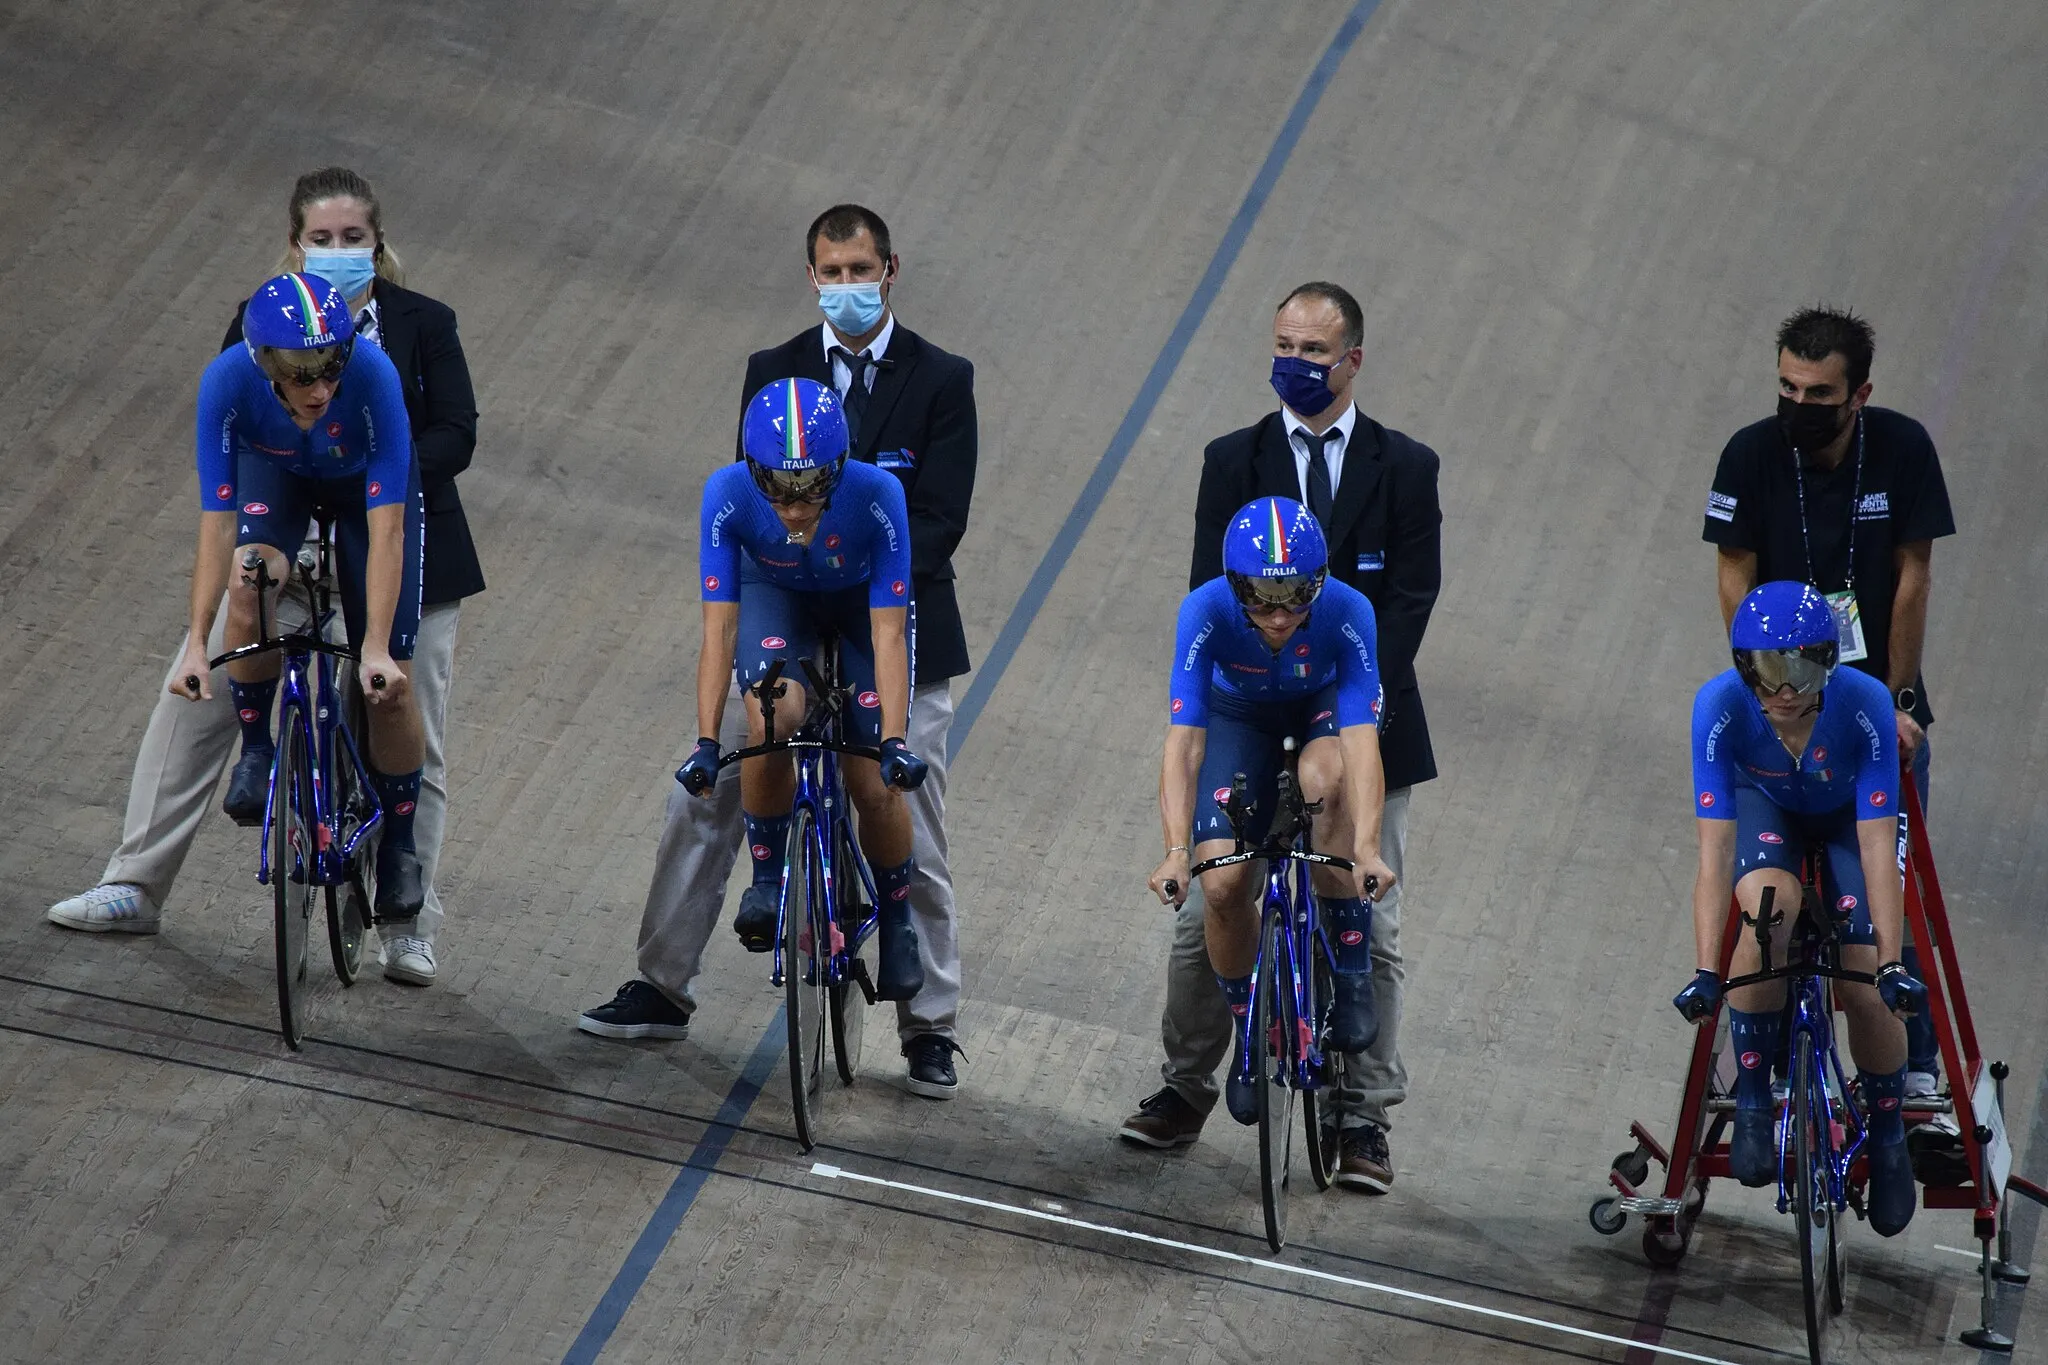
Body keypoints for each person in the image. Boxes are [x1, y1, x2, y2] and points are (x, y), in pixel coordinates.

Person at [48, 167, 482, 986]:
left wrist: (362, 471)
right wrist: (193, 638)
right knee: (208, 669)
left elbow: (455, 434)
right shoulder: (252, 333)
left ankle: (406, 921)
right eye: (321, 238)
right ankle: (133, 882)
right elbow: (235, 464)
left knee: (403, 689)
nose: (337, 251)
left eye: (353, 238)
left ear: (378, 243)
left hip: (391, 527)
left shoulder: (421, 327)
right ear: (295, 245)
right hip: (283, 523)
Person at [581, 205, 977, 1099]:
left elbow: (944, 518)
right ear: (811, 275)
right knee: (721, 778)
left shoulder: (942, 379)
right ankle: (661, 982)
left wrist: (864, 547)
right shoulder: (775, 369)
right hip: (784, 606)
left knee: (912, 808)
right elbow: (755, 513)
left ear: (890, 268)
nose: (846, 284)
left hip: (894, 607)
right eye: (830, 270)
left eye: (860, 268)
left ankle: (930, 1027)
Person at [1120, 281, 1441, 1195]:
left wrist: (1342, 691)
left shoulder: (1405, 466)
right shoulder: (1234, 458)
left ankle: (1360, 1112)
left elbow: (1411, 599)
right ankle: (1188, 1087)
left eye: (1313, 350)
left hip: (1357, 702)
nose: (1295, 363)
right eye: (1283, 346)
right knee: (1212, 901)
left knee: (1368, 912)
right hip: (1247, 702)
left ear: (1353, 360)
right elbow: (1209, 590)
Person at [1701, 305, 1958, 1162]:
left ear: (1861, 395)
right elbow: (1734, 580)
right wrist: (1766, 687)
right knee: (1765, 903)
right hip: (1781, 693)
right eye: (1786, 386)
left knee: (1889, 879)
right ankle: (1757, 1065)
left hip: (1868, 704)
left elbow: (1911, 579)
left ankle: (1913, 1061)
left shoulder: (1904, 449)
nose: (1797, 403)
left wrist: (1898, 700)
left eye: (1818, 391)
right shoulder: (1750, 454)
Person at [1672, 581, 1928, 1236]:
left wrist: (1891, 962)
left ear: (1828, 662)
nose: (1784, 690)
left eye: (1801, 669)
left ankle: (1889, 1132)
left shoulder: (1865, 705)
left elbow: (1877, 850)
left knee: (1865, 974)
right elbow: (1713, 854)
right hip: (1768, 807)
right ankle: (1755, 1099)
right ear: (1742, 669)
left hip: (1848, 816)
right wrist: (1706, 972)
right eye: (1766, 670)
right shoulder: (1719, 707)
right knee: (1766, 909)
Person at [181, 272, 427, 922]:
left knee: (392, 679)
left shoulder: (372, 379)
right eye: (300, 373)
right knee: (250, 577)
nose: (320, 388)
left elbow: (389, 529)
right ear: (266, 364)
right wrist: (192, 641)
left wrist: (374, 645)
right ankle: (259, 750)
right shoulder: (227, 382)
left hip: (362, 493)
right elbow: (217, 523)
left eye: (331, 367)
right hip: (281, 476)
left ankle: (401, 843)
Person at [674, 377, 928, 1000]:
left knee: (873, 778)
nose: (793, 505)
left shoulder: (878, 494)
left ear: (840, 467)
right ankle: (766, 880)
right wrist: (706, 741)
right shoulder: (726, 494)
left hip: (857, 605)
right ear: (752, 471)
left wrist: (894, 740)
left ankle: (898, 922)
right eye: (778, 487)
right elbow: (720, 630)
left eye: (812, 486)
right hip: (776, 598)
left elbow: (889, 637)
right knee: (768, 715)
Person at [1146, 497, 1397, 1123]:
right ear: (1234, 586)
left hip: (1321, 709)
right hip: (1240, 719)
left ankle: (1352, 964)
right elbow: (1185, 744)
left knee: (1325, 778)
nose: (1280, 616)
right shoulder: (1203, 611)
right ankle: (1253, 1025)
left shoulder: (1347, 611)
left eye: (1295, 597)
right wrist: (1177, 850)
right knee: (1225, 883)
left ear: (1321, 584)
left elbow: (1362, 743)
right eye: (1260, 599)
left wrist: (1367, 847)